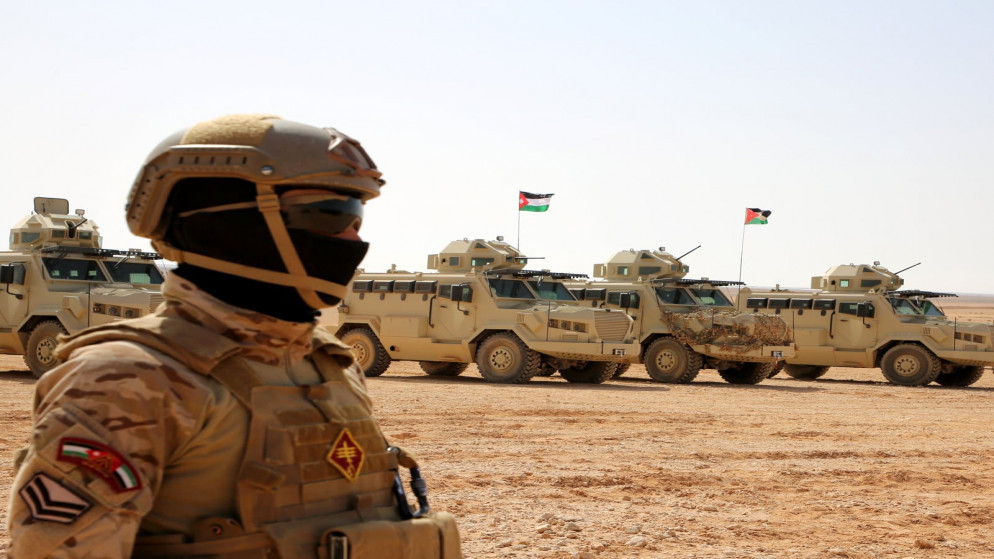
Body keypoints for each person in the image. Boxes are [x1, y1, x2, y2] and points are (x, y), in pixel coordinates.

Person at [8, 114, 462, 558]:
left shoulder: (328, 361)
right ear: (228, 226)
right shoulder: (129, 377)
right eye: (329, 216)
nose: (352, 239)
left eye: (356, 219)